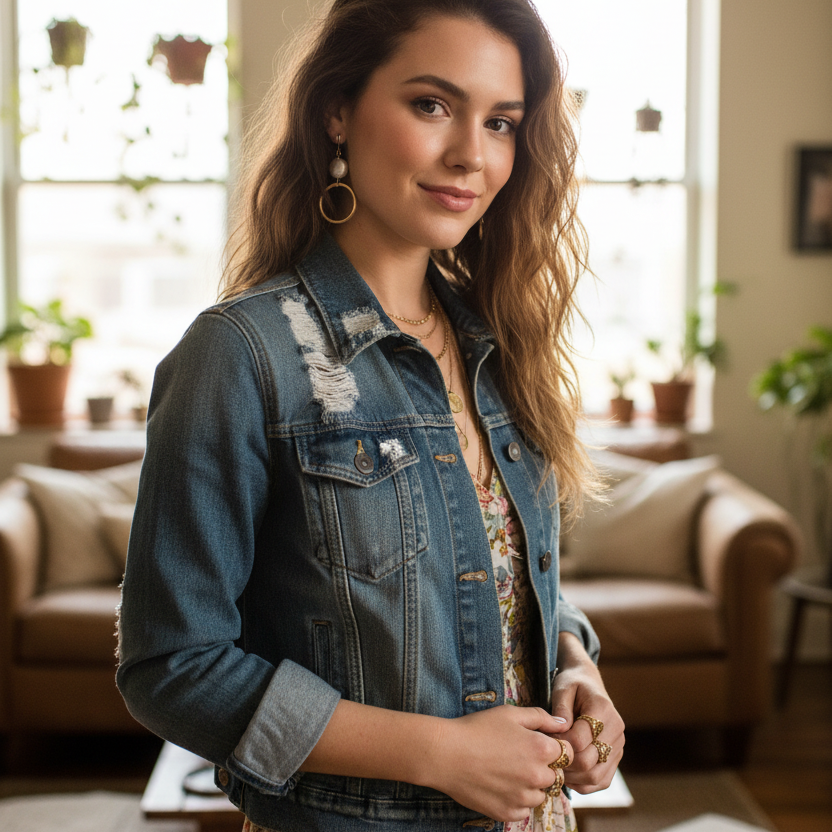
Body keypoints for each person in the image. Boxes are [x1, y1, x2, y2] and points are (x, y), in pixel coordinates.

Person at [116, 1, 625, 830]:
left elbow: (493, 573)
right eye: (432, 105)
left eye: (501, 122)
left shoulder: (499, 345)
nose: (471, 154)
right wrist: (443, 754)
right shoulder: (242, 356)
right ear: (338, 111)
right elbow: (172, 667)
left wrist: (577, 665)